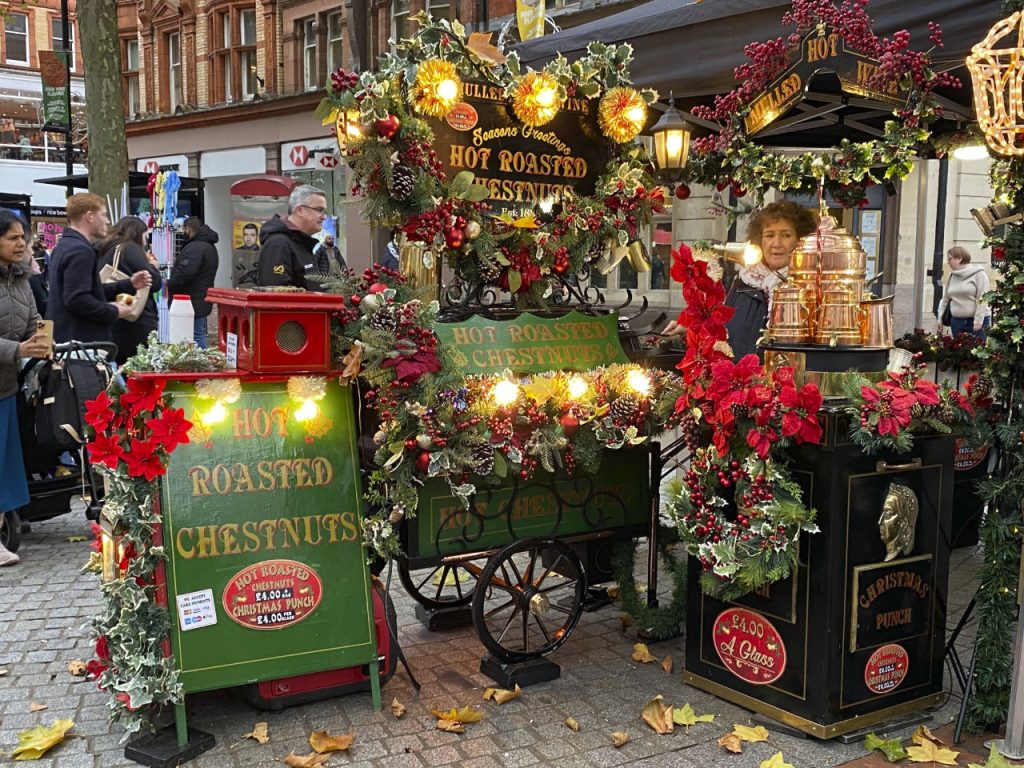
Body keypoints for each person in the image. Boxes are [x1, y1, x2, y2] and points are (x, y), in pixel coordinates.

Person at [662, 200, 816, 360]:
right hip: (739, 380)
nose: (776, 244)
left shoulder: (810, 285)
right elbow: (720, 328)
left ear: (800, 240)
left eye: (786, 235)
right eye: (769, 235)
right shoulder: (743, 282)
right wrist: (688, 329)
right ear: (759, 241)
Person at [0, 211, 51, 566]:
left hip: (5, 386)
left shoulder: (21, 278)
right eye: (12, 238)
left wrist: (43, 339)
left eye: (23, 237)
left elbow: (32, 319)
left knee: (3, 464)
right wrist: (17, 350)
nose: (21, 243)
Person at [46, 193, 152, 345]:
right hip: (82, 344)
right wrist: (114, 311)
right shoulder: (80, 251)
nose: (108, 221)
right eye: (103, 215)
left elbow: (86, 290)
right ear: (90, 216)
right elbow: (77, 299)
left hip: (71, 340)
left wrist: (129, 284)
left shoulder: (65, 246)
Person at [97, 218, 161, 364]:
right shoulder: (130, 248)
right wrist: (153, 266)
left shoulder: (103, 248)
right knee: (137, 370)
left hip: (111, 318)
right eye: (145, 237)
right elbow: (153, 282)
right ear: (138, 234)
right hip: (135, 324)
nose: (145, 242)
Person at [256, 186, 326, 289]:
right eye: (319, 210)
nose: (323, 217)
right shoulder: (279, 244)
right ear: (299, 210)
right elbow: (276, 296)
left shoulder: (301, 242)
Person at [168, 216, 219, 348]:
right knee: (197, 334)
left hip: (190, 300)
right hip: (200, 298)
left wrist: (169, 283)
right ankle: (202, 364)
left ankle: (203, 365)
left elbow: (184, 274)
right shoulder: (209, 246)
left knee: (194, 335)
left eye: (183, 230)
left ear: (188, 229)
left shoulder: (195, 248)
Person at [937, 246, 991, 340]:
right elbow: (945, 299)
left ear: (959, 258)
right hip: (957, 322)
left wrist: (978, 321)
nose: (948, 262)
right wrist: (940, 318)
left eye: (950, 259)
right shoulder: (952, 276)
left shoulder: (979, 274)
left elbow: (983, 298)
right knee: (959, 353)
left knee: (978, 353)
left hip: (977, 322)